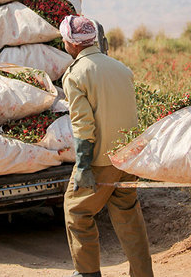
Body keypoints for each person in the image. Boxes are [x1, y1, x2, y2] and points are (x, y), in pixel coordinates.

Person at [60, 15, 153, 277]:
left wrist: (83, 166)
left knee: (76, 212)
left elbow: (83, 125)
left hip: (101, 162)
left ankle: (88, 274)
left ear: (73, 44)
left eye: (65, 39)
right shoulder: (121, 68)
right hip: (128, 158)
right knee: (129, 218)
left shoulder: (76, 74)